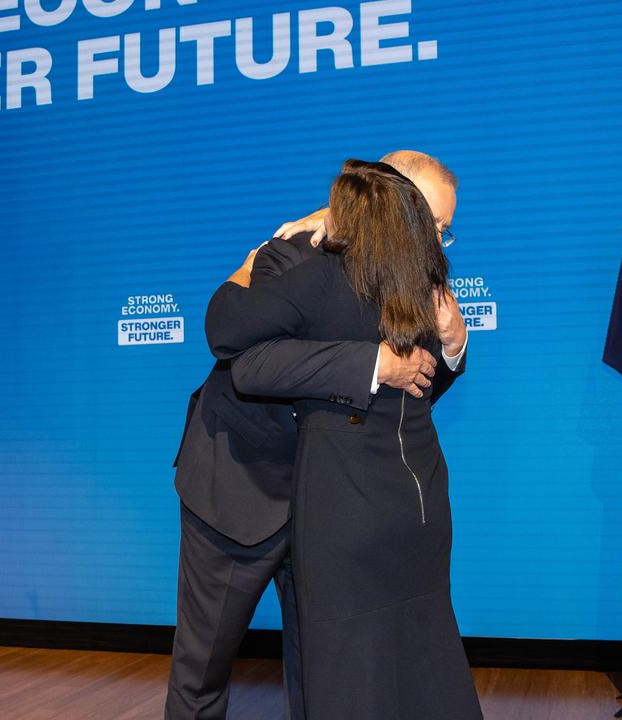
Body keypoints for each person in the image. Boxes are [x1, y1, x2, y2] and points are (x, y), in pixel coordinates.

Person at [165, 157, 447, 717]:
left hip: (333, 510)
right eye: (432, 223)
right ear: (392, 200)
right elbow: (249, 360)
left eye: (441, 230)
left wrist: (452, 349)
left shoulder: (403, 277)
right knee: (203, 671)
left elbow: (406, 391)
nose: (437, 241)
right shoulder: (288, 256)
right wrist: (372, 363)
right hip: (241, 488)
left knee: (323, 675)